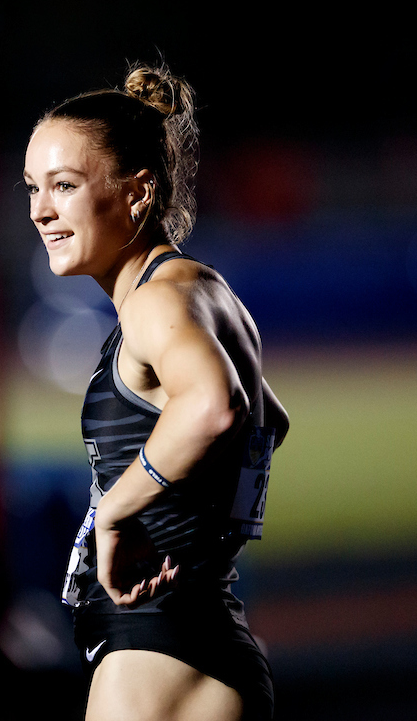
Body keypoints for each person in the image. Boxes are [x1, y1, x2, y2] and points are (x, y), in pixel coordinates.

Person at [23, 63, 290, 721]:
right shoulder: (200, 290)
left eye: (64, 186)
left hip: (156, 657)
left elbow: (213, 405)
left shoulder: (157, 301)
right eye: (32, 187)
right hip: (208, 640)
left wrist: (118, 510)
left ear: (138, 192)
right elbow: (269, 421)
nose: (40, 210)